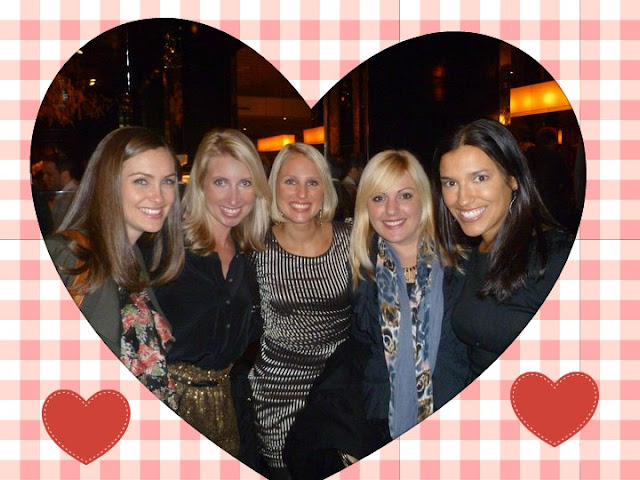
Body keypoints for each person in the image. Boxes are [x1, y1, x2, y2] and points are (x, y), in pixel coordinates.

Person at [154, 129, 270, 468]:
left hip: (227, 406)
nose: (234, 197)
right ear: (201, 184)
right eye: (221, 182)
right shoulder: (168, 246)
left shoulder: (248, 254)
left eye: (245, 183)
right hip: (170, 401)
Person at [45, 126, 184, 407]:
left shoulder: (132, 255)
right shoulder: (67, 254)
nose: (159, 196)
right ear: (108, 183)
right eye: (141, 181)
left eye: (168, 182)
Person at [432, 118, 574, 384]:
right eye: (450, 183)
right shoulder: (469, 255)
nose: (463, 198)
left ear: (513, 179)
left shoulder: (555, 256)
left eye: (480, 178)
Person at [248, 143, 352, 479]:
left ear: (325, 188)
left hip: (339, 393)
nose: (302, 193)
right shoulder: (255, 246)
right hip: (278, 394)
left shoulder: (351, 240)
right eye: (290, 181)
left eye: (312, 182)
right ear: (274, 187)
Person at [41, 151, 80, 230]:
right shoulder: (67, 194)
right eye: (43, 174)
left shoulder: (70, 197)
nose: (44, 178)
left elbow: (59, 230)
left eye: (49, 174)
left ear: (65, 175)